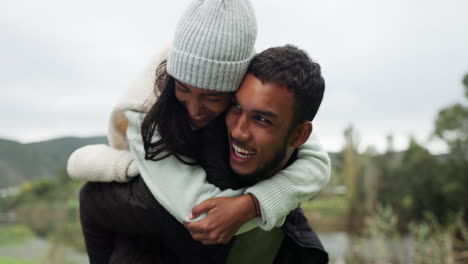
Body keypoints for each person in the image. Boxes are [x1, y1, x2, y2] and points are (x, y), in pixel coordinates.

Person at [67, 0, 330, 262]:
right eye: (183, 88)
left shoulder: (260, 83)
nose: (194, 109)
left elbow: (316, 162)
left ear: (238, 83)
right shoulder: (144, 107)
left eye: (213, 97)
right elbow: (204, 217)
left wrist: (253, 204)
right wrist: (252, 208)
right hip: (153, 179)